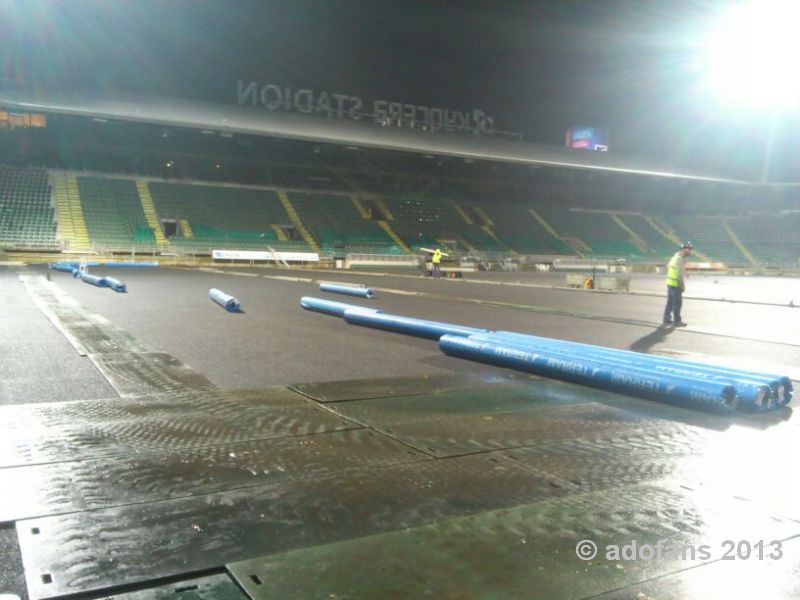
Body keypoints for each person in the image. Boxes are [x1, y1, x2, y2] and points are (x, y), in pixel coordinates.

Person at [663, 241, 693, 326]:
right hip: (676, 284)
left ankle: (666, 318)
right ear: (684, 249)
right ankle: (677, 321)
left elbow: (669, 266)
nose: (690, 251)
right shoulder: (679, 259)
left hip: (669, 283)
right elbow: (679, 274)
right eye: (689, 249)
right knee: (677, 303)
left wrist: (685, 272)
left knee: (670, 302)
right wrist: (682, 285)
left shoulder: (675, 256)